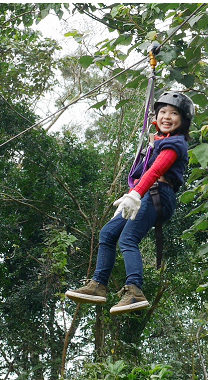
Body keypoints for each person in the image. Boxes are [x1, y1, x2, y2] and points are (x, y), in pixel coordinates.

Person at [66, 91, 194, 314]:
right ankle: (98, 285)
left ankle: (134, 290)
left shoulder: (176, 143)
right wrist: (131, 196)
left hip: (158, 194)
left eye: (174, 113)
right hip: (145, 193)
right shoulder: (158, 142)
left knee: (128, 238)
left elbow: (156, 170)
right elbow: (144, 171)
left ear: (182, 121)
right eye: (162, 111)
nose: (166, 116)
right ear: (155, 116)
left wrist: (135, 195)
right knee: (107, 233)